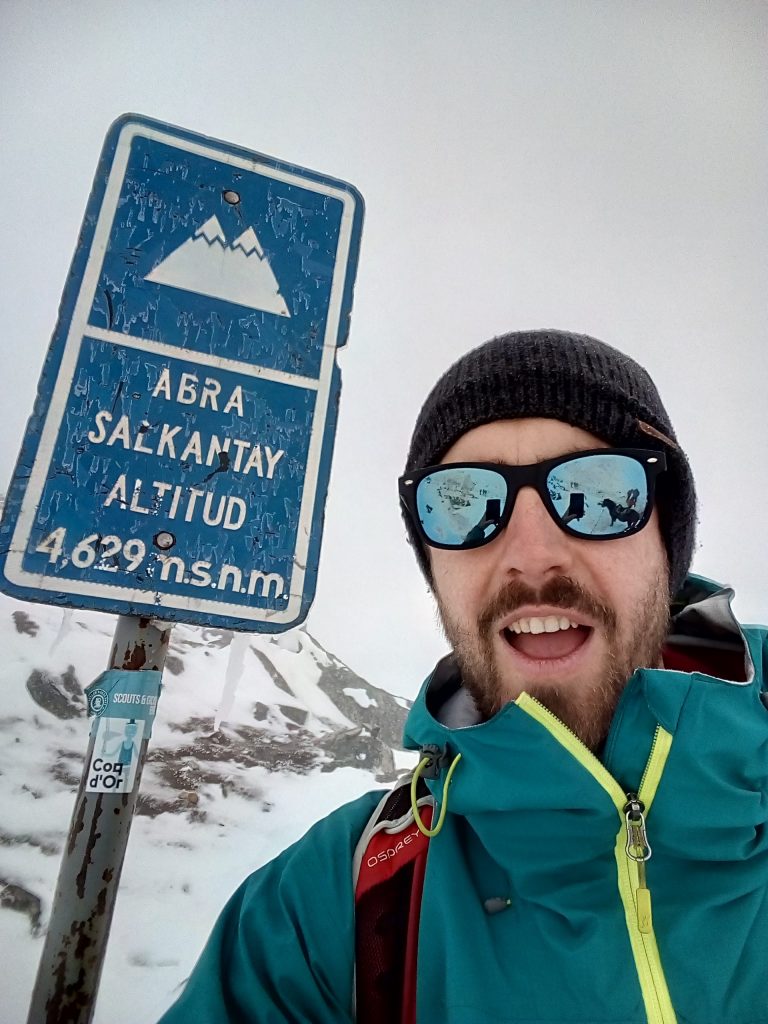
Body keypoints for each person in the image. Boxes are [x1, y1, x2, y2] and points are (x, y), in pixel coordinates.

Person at [158, 329, 767, 1024]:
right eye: (464, 503)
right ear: (434, 570)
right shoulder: (331, 906)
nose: (533, 557)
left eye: (600, 492)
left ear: (668, 541)